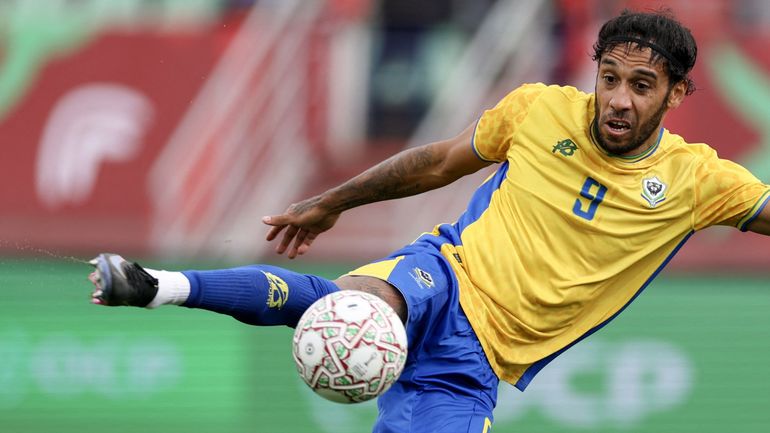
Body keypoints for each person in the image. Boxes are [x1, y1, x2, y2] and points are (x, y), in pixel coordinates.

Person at [88, 9, 770, 433]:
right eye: (610, 78)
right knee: (357, 304)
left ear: (676, 94)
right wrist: (333, 201)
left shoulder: (697, 180)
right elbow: (439, 162)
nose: (618, 99)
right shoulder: (539, 109)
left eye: (642, 86)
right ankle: (156, 285)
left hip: (480, 361)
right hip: (445, 273)